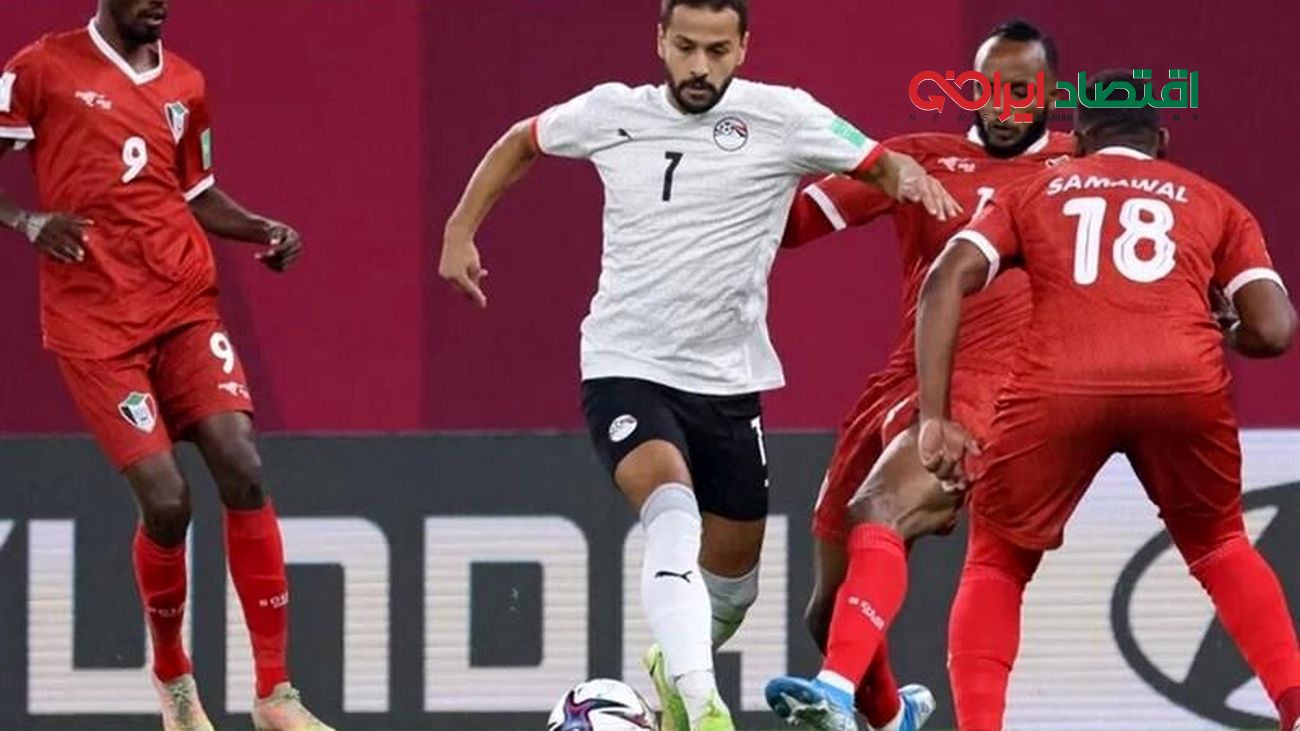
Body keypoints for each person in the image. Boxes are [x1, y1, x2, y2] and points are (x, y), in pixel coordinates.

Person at [438, 2, 960, 730]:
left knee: (734, 592)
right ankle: (705, 707)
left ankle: (673, 667)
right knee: (673, 516)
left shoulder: (784, 116)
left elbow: (874, 160)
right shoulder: (612, 111)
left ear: (743, 48)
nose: (699, 66)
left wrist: (907, 178)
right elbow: (522, 141)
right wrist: (460, 228)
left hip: (727, 383)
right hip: (626, 365)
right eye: (685, 47)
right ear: (660, 41)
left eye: (717, 51)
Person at [916, 77, 1300, 731]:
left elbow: (944, 277)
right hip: (1182, 381)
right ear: (1162, 141)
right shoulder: (1215, 201)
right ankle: (1293, 704)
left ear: (1078, 140)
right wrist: (1227, 329)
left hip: (1060, 384)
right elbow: (1274, 330)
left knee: (997, 559)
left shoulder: (1031, 191)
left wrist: (934, 417)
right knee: (1221, 544)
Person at [0, 2, 330, 730]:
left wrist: (261, 228)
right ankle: (175, 679)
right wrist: (27, 220)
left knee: (242, 464)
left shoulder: (185, 82)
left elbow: (195, 192)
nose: (161, 3)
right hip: (96, 324)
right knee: (168, 500)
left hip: (182, 304)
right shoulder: (41, 68)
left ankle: (275, 693)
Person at [766, 19, 1072, 731]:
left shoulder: (1077, 167)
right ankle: (891, 716)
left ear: (1051, 95)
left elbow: (1153, 222)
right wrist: (753, 158)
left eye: (1020, 91)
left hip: (988, 389)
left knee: (880, 512)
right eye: (987, 89)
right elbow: (792, 224)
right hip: (899, 382)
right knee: (828, 613)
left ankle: (832, 691)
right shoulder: (917, 160)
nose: (1001, 106)